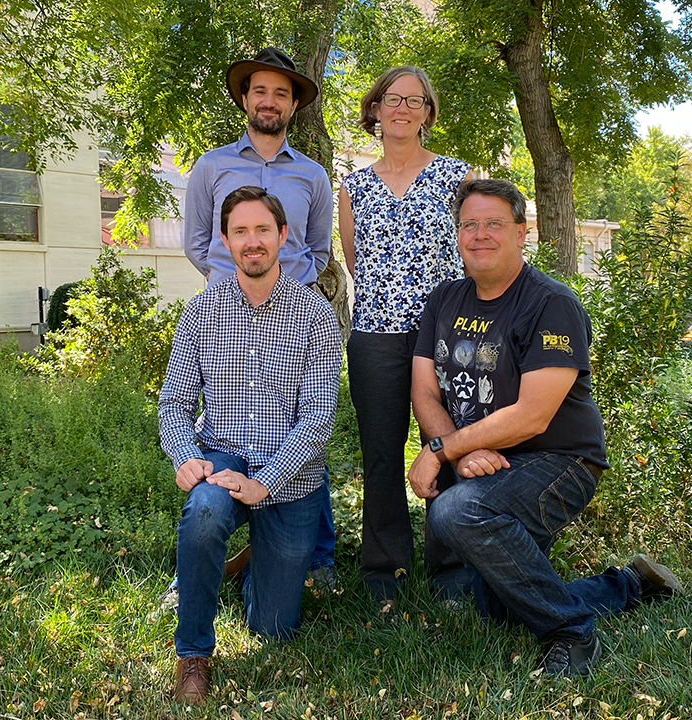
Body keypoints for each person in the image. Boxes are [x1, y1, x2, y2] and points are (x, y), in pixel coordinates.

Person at [407, 179, 684, 679]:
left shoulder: (550, 303)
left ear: (521, 232)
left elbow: (533, 415)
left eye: (494, 223)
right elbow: (425, 391)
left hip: (558, 461)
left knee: (457, 510)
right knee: (491, 604)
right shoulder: (444, 299)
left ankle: (571, 633)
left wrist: (445, 448)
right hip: (485, 461)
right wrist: (456, 452)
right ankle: (629, 585)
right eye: (469, 224)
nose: (480, 234)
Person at [160, 186, 341, 704]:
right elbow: (173, 403)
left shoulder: (314, 314)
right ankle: (193, 655)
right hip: (223, 459)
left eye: (263, 229)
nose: (252, 241)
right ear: (225, 240)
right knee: (203, 514)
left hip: (291, 476)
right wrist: (186, 457)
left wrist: (264, 483)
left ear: (283, 237)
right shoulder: (201, 313)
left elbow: (317, 420)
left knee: (274, 630)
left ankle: (246, 565)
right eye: (240, 231)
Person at [173, 46, 338, 597]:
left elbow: (317, 249)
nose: (270, 101)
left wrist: (286, 285)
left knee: (303, 421)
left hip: (291, 318)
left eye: (282, 93)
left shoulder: (313, 177)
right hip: (227, 319)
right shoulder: (212, 166)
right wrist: (229, 284)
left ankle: (310, 555)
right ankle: (199, 566)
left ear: (293, 106)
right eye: (260, 90)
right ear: (245, 98)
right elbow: (199, 241)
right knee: (225, 434)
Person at [337, 66, 470, 602]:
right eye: (392, 99)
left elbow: (470, 250)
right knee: (383, 454)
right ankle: (384, 571)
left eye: (416, 101)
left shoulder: (455, 177)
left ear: (428, 114)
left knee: (453, 446)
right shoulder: (354, 187)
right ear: (374, 110)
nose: (403, 108)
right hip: (376, 334)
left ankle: (454, 568)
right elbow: (356, 260)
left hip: (448, 333)